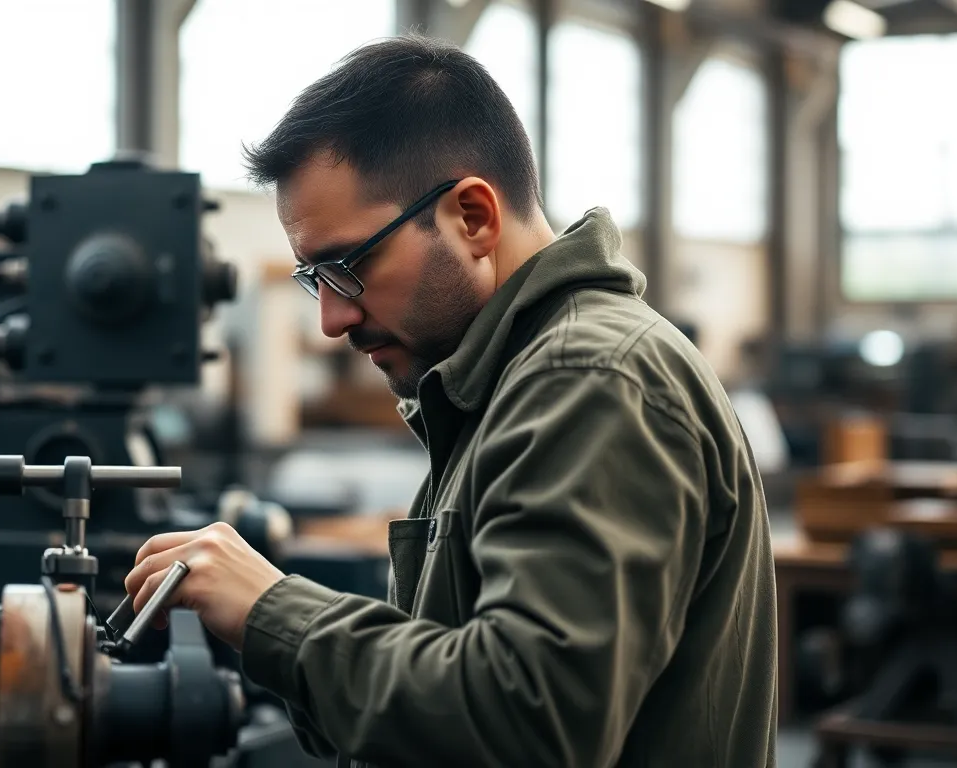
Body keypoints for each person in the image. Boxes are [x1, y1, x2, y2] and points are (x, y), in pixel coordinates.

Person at [123, 35, 778, 767]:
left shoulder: (587, 379)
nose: (332, 320)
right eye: (315, 280)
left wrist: (273, 612)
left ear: (472, 217)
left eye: (346, 267)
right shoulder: (502, 384)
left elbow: (532, 720)